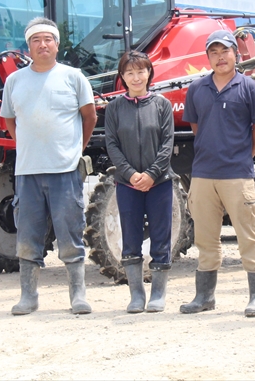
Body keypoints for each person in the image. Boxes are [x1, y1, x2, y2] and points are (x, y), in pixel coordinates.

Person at [0, 17, 97, 316]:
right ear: (27, 46)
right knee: (28, 234)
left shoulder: (73, 77)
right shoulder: (14, 81)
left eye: (48, 39)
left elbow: (89, 116)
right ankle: (28, 296)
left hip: (65, 171)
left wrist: (74, 150)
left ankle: (77, 296)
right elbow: (8, 120)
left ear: (57, 44)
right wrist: (27, 146)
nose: (42, 45)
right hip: (27, 172)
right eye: (35, 40)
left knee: (71, 231)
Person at [180, 29, 255, 317]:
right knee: (206, 239)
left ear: (236, 53)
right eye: (214, 52)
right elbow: (197, 128)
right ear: (208, 57)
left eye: (225, 51)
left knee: (248, 236)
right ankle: (204, 296)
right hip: (204, 174)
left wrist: (244, 156)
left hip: (237, 174)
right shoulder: (196, 89)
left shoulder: (249, 88)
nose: (220, 57)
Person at [104, 51, 175, 313]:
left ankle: (158, 293)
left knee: (161, 236)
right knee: (131, 237)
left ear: (149, 73)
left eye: (141, 71)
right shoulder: (114, 108)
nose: (136, 77)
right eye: (130, 72)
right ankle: (136, 294)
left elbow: (168, 143)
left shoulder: (162, 105)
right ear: (122, 77)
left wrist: (152, 174)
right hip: (127, 184)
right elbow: (111, 143)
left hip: (160, 183)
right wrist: (131, 174)